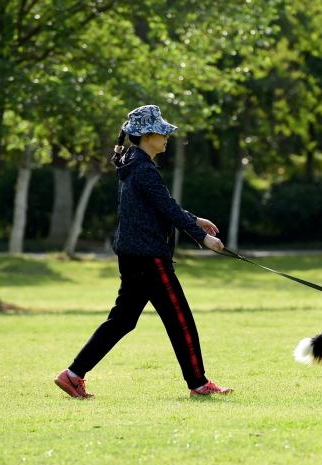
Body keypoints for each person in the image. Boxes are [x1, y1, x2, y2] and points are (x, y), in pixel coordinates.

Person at [55, 104, 232, 398]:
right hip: (150, 258)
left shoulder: (133, 164)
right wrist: (202, 237)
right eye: (162, 132)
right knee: (180, 319)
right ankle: (199, 384)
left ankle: (72, 375)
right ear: (147, 135)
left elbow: (162, 204)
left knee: (123, 320)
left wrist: (195, 220)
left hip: (132, 255)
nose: (166, 137)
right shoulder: (142, 168)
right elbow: (166, 207)